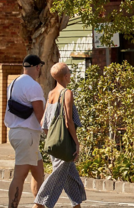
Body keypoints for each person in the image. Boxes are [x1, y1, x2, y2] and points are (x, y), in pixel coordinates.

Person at [33, 62, 86, 208]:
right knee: (57, 176)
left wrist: (52, 138)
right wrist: (76, 142)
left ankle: (77, 205)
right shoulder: (67, 93)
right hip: (65, 143)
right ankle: (39, 204)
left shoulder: (51, 94)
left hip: (53, 142)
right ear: (66, 76)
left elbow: (44, 121)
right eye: (69, 72)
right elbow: (68, 121)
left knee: (71, 177)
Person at [6, 55, 46, 208]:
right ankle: (12, 206)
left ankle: (40, 205)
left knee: (38, 171)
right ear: (37, 67)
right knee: (20, 175)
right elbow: (39, 113)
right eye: (40, 67)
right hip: (27, 134)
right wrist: (48, 131)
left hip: (16, 132)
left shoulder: (14, 83)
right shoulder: (33, 85)